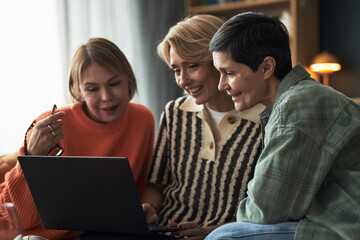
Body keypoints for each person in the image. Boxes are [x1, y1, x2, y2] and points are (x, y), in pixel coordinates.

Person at [204, 11, 360, 240]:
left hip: (343, 227)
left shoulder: (297, 106)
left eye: (229, 73)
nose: (221, 86)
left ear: (267, 67)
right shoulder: (292, 101)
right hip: (331, 220)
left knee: (223, 237)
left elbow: (265, 211)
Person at [0, 38, 155, 240]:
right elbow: (17, 219)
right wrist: (32, 155)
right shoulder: (49, 126)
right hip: (33, 235)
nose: (106, 96)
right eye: (92, 89)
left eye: (114, 83)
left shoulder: (143, 119)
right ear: (77, 90)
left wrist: (147, 207)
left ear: (129, 80)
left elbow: (143, 186)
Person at [141, 14, 265, 240]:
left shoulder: (265, 122)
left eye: (192, 66)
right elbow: (156, 186)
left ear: (221, 61)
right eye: (176, 70)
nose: (182, 80)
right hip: (165, 232)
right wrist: (149, 207)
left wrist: (209, 233)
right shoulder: (174, 112)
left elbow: (264, 211)